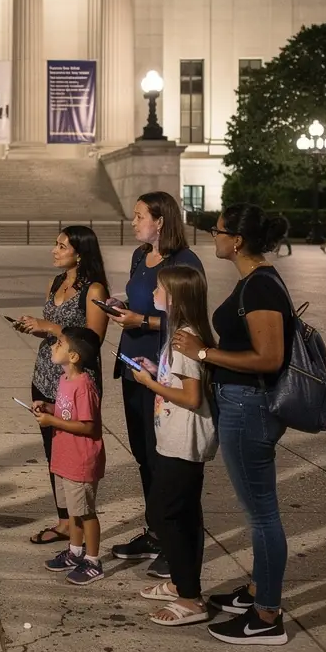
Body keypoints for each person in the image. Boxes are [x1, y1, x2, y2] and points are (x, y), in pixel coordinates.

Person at [172, 204, 293, 645]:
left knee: (262, 516)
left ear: (237, 240)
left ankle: (266, 617)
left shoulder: (260, 287)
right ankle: (259, 591)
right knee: (256, 511)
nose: (213, 237)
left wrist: (204, 353)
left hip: (249, 406)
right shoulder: (255, 280)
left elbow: (269, 357)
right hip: (241, 402)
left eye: (217, 231)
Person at [106, 192, 204, 577]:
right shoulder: (138, 257)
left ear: (160, 221)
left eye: (139, 215)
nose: (133, 221)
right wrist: (120, 306)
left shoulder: (184, 261)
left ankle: (176, 541)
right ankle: (155, 531)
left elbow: (192, 320)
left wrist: (141, 322)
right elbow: (141, 301)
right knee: (144, 453)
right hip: (135, 365)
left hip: (167, 367)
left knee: (168, 459)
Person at [131, 265, 217, 626]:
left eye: (159, 289)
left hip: (183, 442)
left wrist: (150, 385)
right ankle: (182, 582)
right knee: (181, 513)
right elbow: (180, 378)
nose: (153, 294)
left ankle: (191, 598)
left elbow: (192, 396)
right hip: (173, 437)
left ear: (176, 296)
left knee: (167, 513)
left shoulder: (185, 337)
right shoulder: (178, 335)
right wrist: (156, 369)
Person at [17, 226, 110, 546]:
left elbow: (93, 340)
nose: (54, 250)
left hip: (75, 381)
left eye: (61, 246)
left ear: (80, 253)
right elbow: (51, 331)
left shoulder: (94, 290)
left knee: (76, 452)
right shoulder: (55, 282)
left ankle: (81, 525)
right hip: (45, 375)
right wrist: (34, 328)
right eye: (55, 244)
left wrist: (51, 326)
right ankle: (64, 522)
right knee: (53, 451)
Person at [33, 327, 106, 585]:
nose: (53, 346)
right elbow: (67, 413)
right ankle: (75, 553)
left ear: (74, 356)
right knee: (73, 512)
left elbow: (88, 426)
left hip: (80, 459)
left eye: (59, 344)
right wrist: (49, 407)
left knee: (85, 513)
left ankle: (94, 560)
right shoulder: (65, 380)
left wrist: (51, 420)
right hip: (65, 457)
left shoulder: (84, 386)